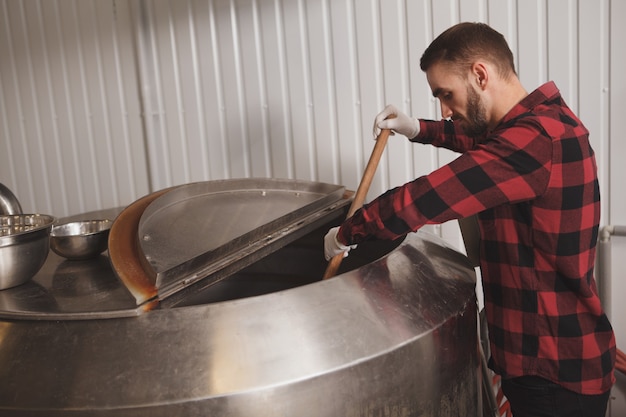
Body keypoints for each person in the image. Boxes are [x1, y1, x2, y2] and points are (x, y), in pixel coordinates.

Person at [324, 22, 615, 417]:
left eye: (447, 94)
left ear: (480, 74)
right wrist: (418, 130)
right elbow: (484, 139)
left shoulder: (534, 142)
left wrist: (347, 232)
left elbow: (423, 200)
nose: (444, 109)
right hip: (553, 360)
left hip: (552, 370)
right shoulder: (542, 121)